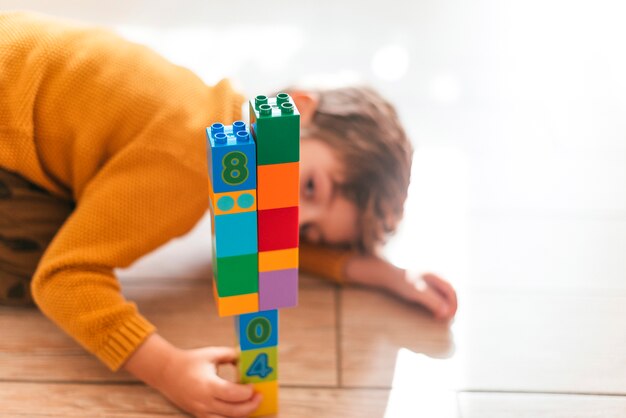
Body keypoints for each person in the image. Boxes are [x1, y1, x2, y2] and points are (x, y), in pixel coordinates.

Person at [0, 12, 457, 418]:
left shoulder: (221, 122)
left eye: (309, 229)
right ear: (295, 112)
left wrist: (382, 274)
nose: (291, 221)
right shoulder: (185, 162)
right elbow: (62, 278)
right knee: (35, 260)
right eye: (311, 187)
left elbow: (264, 237)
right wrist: (166, 368)